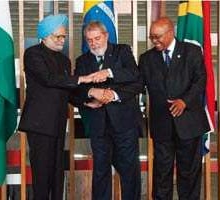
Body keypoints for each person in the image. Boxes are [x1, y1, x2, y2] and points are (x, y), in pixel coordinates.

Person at [18, 14, 94, 200]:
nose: (61, 40)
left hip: (58, 124)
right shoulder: (33, 54)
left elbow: (67, 91)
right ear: (44, 36)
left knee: (57, 174)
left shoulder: (64, 61)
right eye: (57, 36)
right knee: (42, 175)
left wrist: (85, 100)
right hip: (40, 125)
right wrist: (82, 78)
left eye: (63, 36)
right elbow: (49, 79)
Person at [139, 17, 210, 200]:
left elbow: (201, 80)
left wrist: (184, 101)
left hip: (189, 123)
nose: (154, 41)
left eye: (158, 36)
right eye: (151, 37)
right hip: (162, 126)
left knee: (189, 174)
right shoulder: (146, 58)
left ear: (171, 33)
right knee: (162, 174)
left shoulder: (192, 51)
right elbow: (137, 85)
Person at [75, 21, 143, 200]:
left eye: (97, 38)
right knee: (101, 172)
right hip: (98, 125)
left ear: (106, 36)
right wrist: (90, 94)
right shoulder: (82, 61)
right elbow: (75, 92)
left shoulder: (122, 51)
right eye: (89, 40)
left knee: (130, 172)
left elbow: (135, 78)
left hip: (124, 124)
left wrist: (110, 80)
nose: (93, 43)